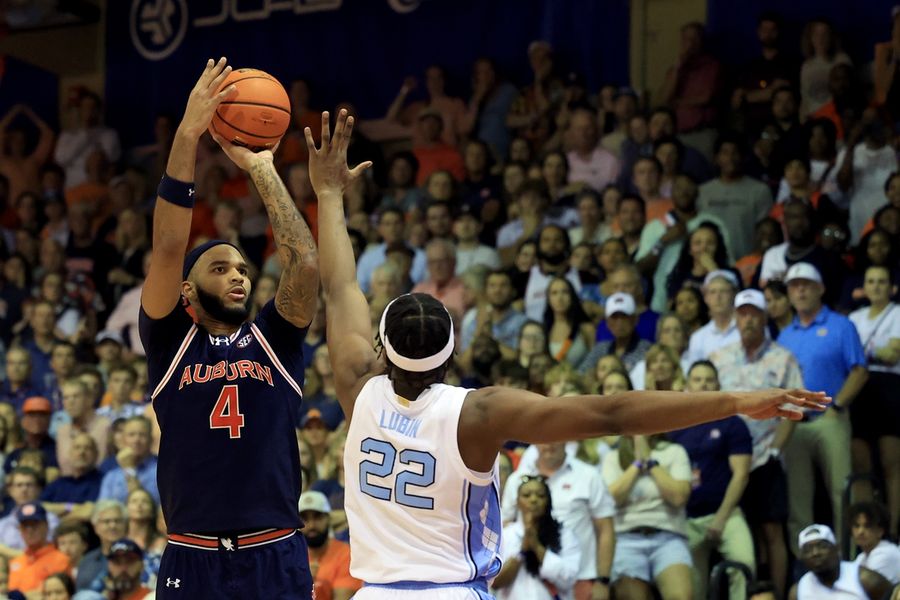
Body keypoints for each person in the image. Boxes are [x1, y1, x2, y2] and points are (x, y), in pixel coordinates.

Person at [307, 108, 827, 598]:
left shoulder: (357, 386)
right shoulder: (478, 412)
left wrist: (328, 194)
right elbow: (612, 411)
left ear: (382, 348)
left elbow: (339, 286)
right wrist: (735, 400)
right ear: (452, 350)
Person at [139, 59, 317, 599]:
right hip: (191, 554)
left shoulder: (273, 339)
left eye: (241, 268)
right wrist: (189, 134)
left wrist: (260, 165)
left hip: (275, 549)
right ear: (186, 290)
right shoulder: (170, 342)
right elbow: (169, 246)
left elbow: (305, 264)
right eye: (220, 268)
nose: (238, 275)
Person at [711, 288, 803, 599]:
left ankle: (775, 594)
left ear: (764, 318)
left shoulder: (783, 357)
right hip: (727, 459)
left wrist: (776, 450)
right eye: (742, 314)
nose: (748, 320)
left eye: (754, 314)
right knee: (742, 530)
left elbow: (795, 410)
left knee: (772, 531)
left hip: (765, 455)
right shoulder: (718, 358)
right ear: (735, 318)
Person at [778, 262, 868, 553]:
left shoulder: (841, 325)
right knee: (797, 500)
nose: (800, 290)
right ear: (789, 294)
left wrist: (838, 406)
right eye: (794, 286)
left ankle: (849, 558)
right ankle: (805, 568)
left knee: (842, 492)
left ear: (821, 289)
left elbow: (859, 371)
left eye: (806, 284)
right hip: (795, 423)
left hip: (830, 418)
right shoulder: (784, 336)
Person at [669, 362, 755, 600]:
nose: (703, 384)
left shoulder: (733, 423)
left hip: (727, 514)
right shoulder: (674, 425)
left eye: (709, 379)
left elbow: (741, 474)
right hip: (686, 518)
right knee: (690, 585)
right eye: (697, 379)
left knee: (744, 565)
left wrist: (720, 519)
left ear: (718, 385)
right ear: (687, 385)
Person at [601, 434, 693, 600]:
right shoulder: (612, 457)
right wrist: (637, 464)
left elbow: (679, 497)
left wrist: (650, 462)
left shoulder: (674, 451)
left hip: (668, 537)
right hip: (626, 539)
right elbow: (610, 499)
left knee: (681, 596)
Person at [848, 265, 900, 536]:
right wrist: (877, 350)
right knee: (861, 463)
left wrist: (863, 352)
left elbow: (893, 355)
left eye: (882, 281)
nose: (877, 286)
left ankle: (892, 528)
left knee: (892, 462)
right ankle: (866, 528)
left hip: (890, 388)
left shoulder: (897, 313)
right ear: (864, 287)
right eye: (871, 281)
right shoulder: (854, 318)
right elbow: (850, 356)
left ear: (892, 287)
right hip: (860, 389)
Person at [493, 476, 580, 600]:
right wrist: (522, 551)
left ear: (548, 501)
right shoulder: (505, 535)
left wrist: (536, 546)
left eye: (540, 495)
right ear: (517, 501)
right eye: (527, 495)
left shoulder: (564, 535)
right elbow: (495, 583)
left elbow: (568, 580)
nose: (533, 500)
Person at [790, 524, 891, 600]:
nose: (815, 553)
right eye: (807, 550)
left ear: (837, 549)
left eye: (822, 546)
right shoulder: (798, 592)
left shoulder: (866, 580)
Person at [298, 491, 361, 600]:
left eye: (317, 517)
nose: (311, 525)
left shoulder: (345, 554)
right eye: (305, 519)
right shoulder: (291, 556)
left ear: (328, 518)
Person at [7, 502, 70, 595]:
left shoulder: (61, 559)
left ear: (46, 526)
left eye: (34, 525)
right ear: (19, 529)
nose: (29, 531)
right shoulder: (15, 562)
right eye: (25, 526)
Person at [849, 502, 900, 584]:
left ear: (880, 531)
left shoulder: (886, 554)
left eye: (867, 526)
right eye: (857, 526)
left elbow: (860, 589)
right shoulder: (861, 557)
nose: (860, 531)